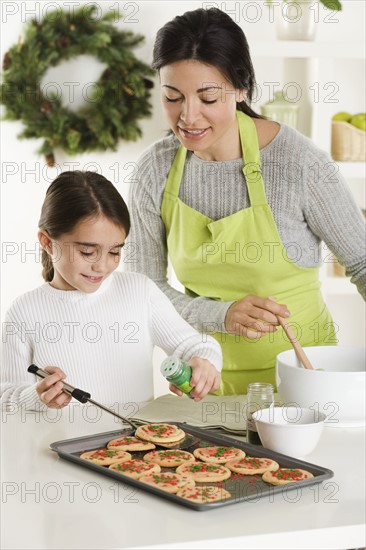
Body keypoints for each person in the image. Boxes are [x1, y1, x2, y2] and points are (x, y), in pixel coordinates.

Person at [126, 7, 366, 395]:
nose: (188, 116)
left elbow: (362, 262)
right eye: (173, 97)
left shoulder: (299, 164)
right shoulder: (155, 169)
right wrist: (220, 315)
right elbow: (142, 288)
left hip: (305, 382)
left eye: (207, 97)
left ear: (241, 89)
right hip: (205, 381)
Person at [1, 171, 222, 410]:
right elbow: (6, 396)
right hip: (56, 446)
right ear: (46, 242)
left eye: (115, 251)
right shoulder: (24, 311)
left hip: (135, 444)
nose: (102, 265)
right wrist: (37, 397)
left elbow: (197, 345)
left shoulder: (139, 291)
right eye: (88, 252)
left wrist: (204, 363)